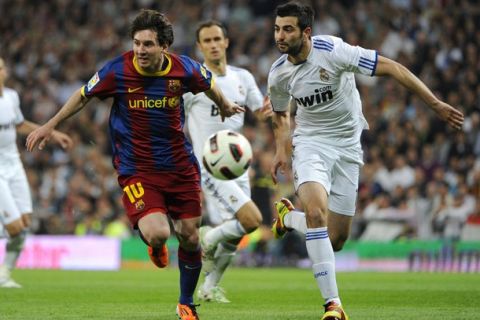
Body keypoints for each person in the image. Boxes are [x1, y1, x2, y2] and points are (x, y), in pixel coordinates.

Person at [26, 10, 243, 320]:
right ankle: (154, 245)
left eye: (148, 45)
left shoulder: (184, 69)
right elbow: (83, 95)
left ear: (164, 47)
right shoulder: (118, 70)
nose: (140, 50)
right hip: (137, 167)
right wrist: (50, 125)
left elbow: (208, 82)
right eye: (137, 43)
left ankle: (185, 303)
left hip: (180, 165)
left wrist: (223, 104)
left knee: (190, 236)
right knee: (157, 233)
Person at [267, 2, 464, 320]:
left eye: (287, 28)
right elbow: (280, 113)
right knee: (316, 212)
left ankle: (288, 219)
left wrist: (435, 103)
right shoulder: (278, 73)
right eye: (277, 28)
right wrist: (280, 148)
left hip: (348, 146)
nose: (279, 35)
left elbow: (392, 67)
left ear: (306, 32)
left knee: (336, 239)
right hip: (311, 144)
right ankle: (333, 305)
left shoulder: (333, 50)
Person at [183, 20, 272, 303]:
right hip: (210, 167)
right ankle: (206, 239)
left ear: (226, 42)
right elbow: (172, 119)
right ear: (199, 47)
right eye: (206, 40)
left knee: (234, 236)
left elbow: (261, 111)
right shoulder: (193, 82)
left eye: (216, 39)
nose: (212, 44)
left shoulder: (242, 77)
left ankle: (209, 287)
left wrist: (275, 107)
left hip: (238, 163)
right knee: (252, 220)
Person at [0, 57, 72, 288]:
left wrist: (52, 134)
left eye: (1, 67)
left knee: (25, 223)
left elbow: (20, 125)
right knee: (14, 227)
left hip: (14, 164)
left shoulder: (11, 97)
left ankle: (4, 275)